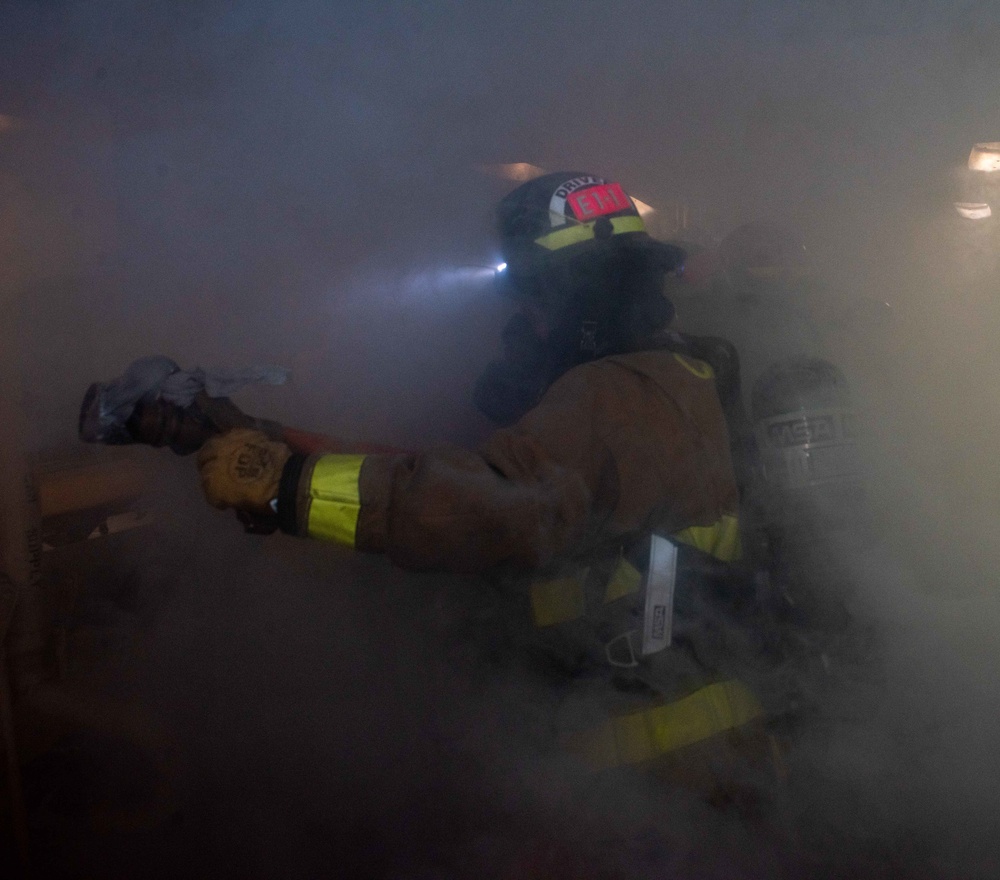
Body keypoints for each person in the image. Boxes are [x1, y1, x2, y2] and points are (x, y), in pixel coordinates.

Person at [197, 172, 773, 786]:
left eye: (533, 297)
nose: (523, 320)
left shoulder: (609, 393)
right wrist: (290, 443)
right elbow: (474, 473)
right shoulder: (670, 371)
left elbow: (481, 504)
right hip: (692, 742)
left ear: (576, 294)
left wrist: (284, 485)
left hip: (644, 769)